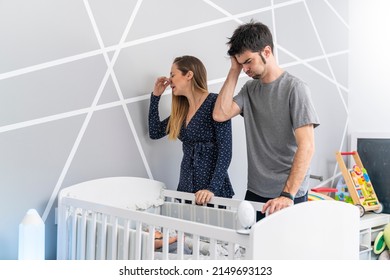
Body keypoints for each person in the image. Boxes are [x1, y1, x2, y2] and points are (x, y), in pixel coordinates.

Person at [213, 20, 320, 220]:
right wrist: (234, 70)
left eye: (248, 61)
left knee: (286, 250)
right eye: (241, 63)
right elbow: (220, 114)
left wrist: (287, 194)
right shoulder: (249, 89)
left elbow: (307, 146)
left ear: (267, 52)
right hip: (256, 190)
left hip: (288, 192)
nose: (245, 68)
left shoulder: (295, 89)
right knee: (255, 249)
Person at [149, 55, 234, 205]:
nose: (169, 81)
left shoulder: (215, 103)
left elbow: (225, 152)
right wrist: (155, 97)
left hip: (212, 192)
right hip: (186, 190)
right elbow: (155, 132)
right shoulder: (181, 112)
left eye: (173, 75)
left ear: (189, 75)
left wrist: (211, 189)